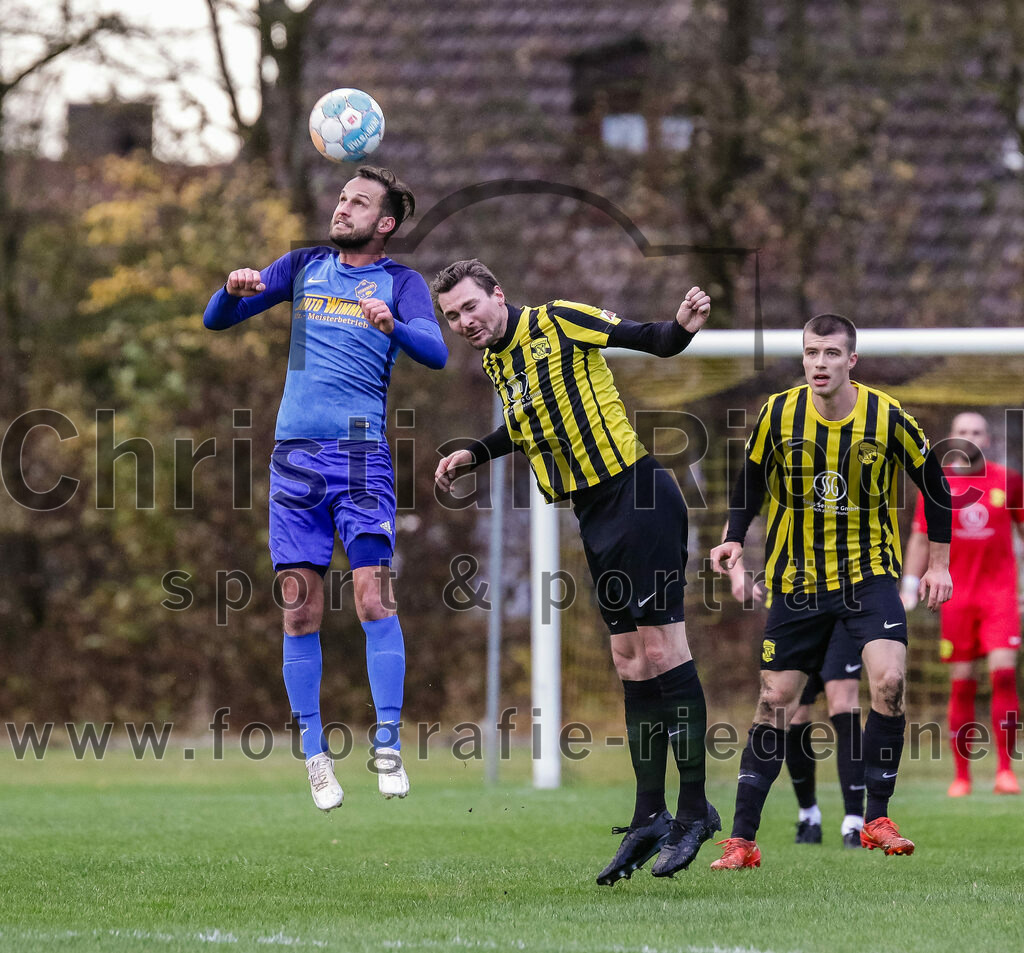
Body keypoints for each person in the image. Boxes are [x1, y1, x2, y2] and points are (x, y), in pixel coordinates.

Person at [431, 259, 717, 884]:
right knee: (629, 659)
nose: (464, 321)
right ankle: (650, 815)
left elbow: (652, 339)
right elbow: (524, 427)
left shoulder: (560, 320)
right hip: (592, 514)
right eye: (452, 316)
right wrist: (474, 452)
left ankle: (696, 810)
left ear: (498, 293)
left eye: (471, 306)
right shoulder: (497, 362)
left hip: (638, 496)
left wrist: (682, 326)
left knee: (664, 650)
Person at [203, 167, 447, 811]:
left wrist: (392, 326)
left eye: (358, 202)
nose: (343, 208)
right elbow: (215, 319)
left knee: (373, 598)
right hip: (294, 461)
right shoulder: (304, 266)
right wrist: (231, 289)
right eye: (342, 198)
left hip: (360, 455)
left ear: (385, 223)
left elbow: (437, 351)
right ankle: (315, 756)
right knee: (298, 609)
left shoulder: (401, 283)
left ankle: (387, 743)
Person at [709, 312, 952, 869]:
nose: (820, 363)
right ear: (803, 358)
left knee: (889, 681)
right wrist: (732, 539)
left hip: (869, 576)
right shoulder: (778, 413)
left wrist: (938, 565)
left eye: (831, 354)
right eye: (811, 353)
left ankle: (877, 819)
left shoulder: (888, 416)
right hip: (796, 582)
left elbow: (936, 486)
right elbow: (749, 482)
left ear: (851, 361)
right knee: (775, 701)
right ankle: (742, 841)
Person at [902, 412, 1024, 797]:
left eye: (977, 432)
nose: (969, 437)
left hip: (1000, 595)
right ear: (952, 438)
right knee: (962, 682)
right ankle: (961, 776)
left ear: (987, 439)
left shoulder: (1009, 481)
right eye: (962, 431)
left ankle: (1005, 771)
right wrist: (909, 584)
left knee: (1003, 675)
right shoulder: (936, 483)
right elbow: (920, 538)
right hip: (955, 597)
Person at [725, 541, 865, 847]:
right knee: (794, 712)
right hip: (794, 604)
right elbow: (735, 524)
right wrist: (737, 573)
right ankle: (808, 815)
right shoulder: (781, 505)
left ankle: (855, 822)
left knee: (843, 701)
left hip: (844, 603)